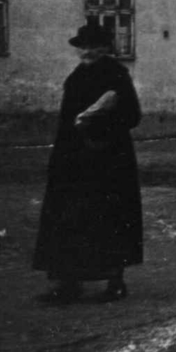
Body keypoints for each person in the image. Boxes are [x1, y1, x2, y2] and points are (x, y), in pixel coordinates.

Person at [33, 22, 143, 304]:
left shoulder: (116, 75)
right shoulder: (76, 76)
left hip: (108, 159)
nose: (87, 52)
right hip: (73, 159)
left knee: (109, 219)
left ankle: (115, 281)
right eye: (83, 47)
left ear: (105, 48)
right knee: (69, 219)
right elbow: (66, 119)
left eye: (94, 46)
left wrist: (98, 126)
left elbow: (132, 115)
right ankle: (68, 282)